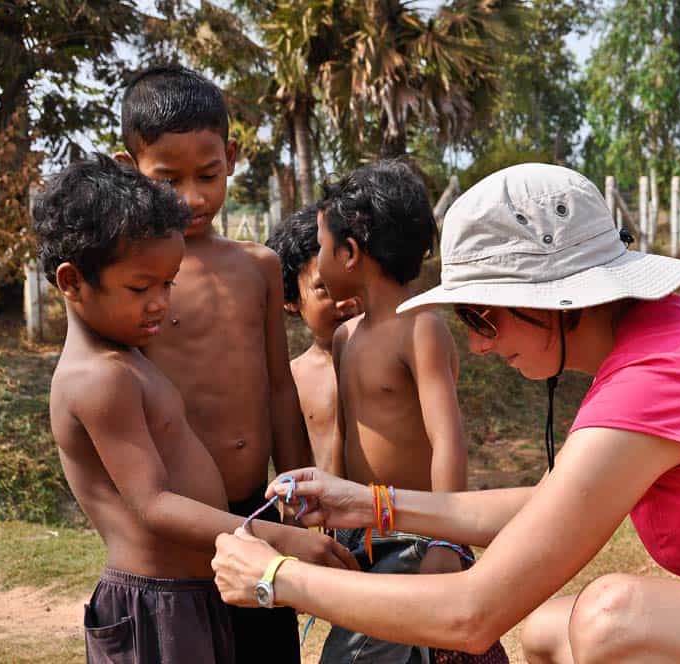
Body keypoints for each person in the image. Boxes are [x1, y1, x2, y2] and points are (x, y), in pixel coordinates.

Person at [213, 163, 680, 664]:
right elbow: (560, 503)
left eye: (483, 315)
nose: (476, 343)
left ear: (553, 303)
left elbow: (471, 616)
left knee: (611, 617)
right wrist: (370, 504)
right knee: (553, 630)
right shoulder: (675, 327)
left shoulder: (653, 379)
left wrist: (277, 576)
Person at [33, 156, 351, 664]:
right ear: (71, 282)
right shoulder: (99, 378)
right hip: (155, 606)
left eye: (168, 283)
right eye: (142, 288)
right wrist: (282, 538)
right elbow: (155, 505)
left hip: (188, 595)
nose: (160, 302)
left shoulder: (128, 359)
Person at [117, 65, 355, 663]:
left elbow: (278, 387)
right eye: (167, 180)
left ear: (232, 156)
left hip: (259, 505)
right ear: (130, 168)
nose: (193, 198)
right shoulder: (135, 282)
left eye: (209, 174)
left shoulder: (258, 267)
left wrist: (304, 494)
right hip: (178, 519)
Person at [314, 161, 479, 663]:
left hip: (412, 539)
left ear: (349, 253)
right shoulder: (345, 337)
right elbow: (345, 436)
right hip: (358, 535)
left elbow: (447, 438)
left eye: (322, 245)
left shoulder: (420, 329)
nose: (317, 260)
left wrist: (447, 541)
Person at [267, 205, 361, 473]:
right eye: (325, 288)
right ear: (291, 299)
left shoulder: (394, 357)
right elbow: (293, 472)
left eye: (351, 280)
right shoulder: (291, 381)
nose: (344, 300)